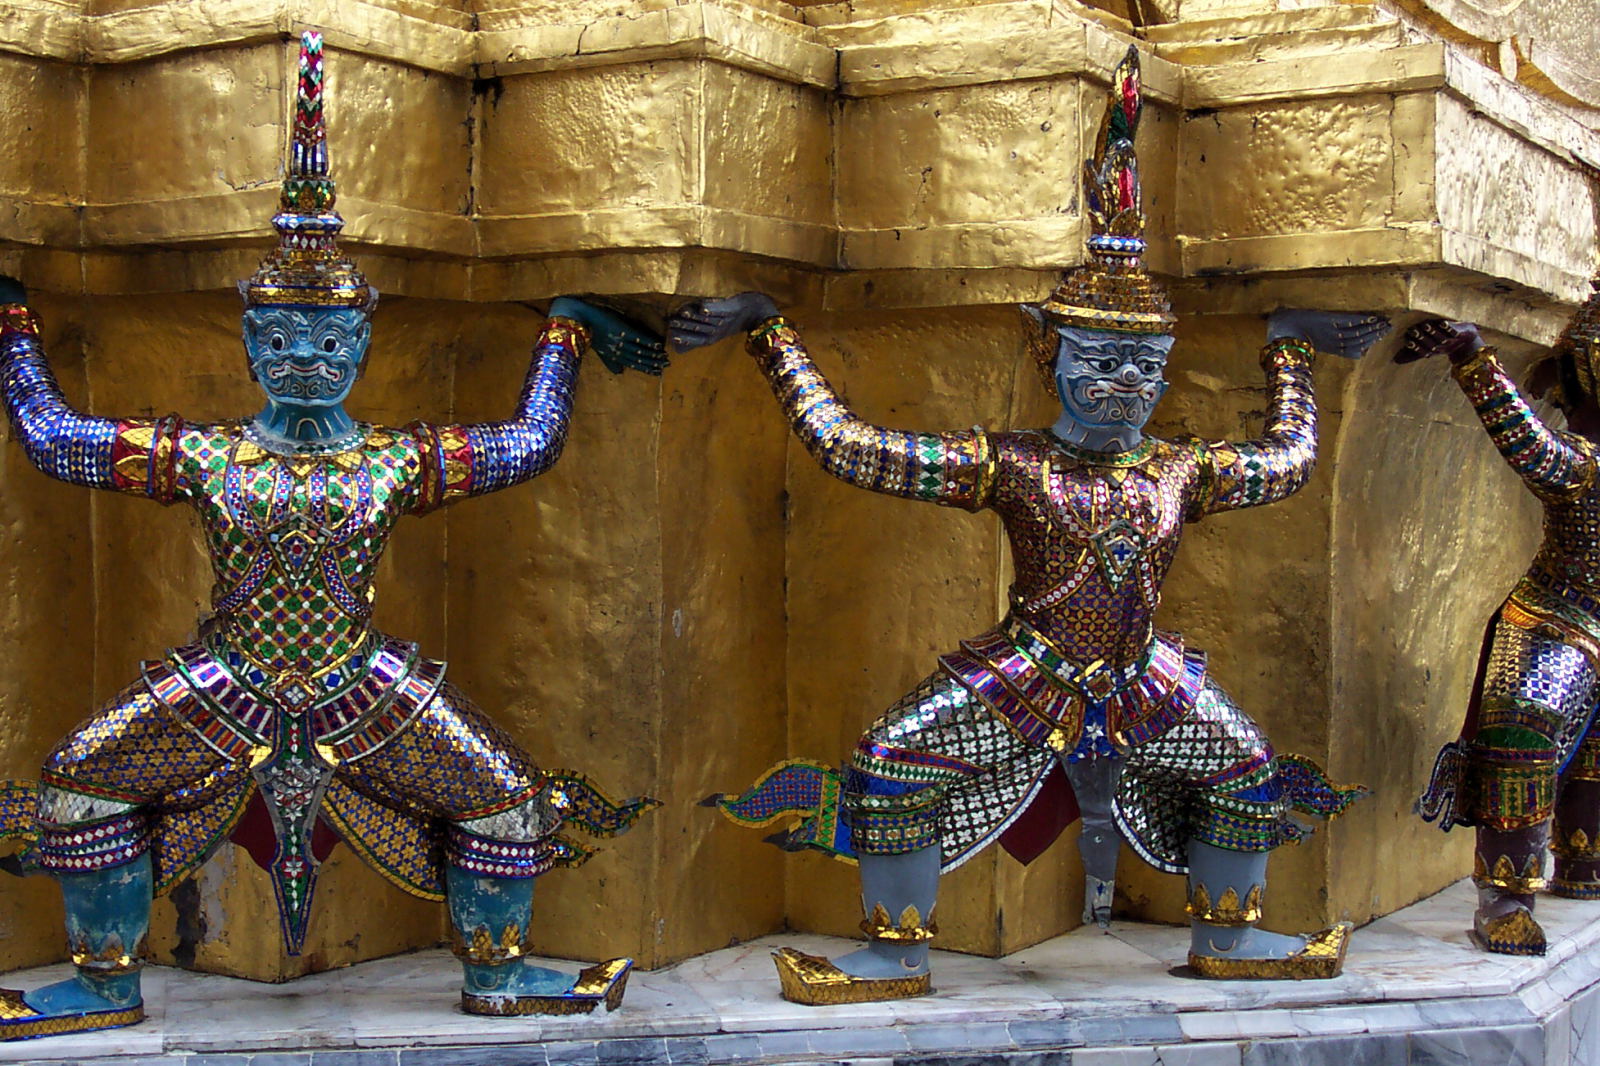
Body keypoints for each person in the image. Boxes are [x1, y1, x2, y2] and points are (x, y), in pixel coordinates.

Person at [683, 46, 1385, 1004]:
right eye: (1096, 361)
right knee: (890, 765)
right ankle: (896, 951)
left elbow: (1291, 461)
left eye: (1142, 371)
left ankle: (1230, 938)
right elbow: (850, 447)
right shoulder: (1013, 462)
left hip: (1145, 677)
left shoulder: (1182, 469)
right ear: (1051, 356)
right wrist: (770, 333)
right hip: (1026, 675)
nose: (1120, 386)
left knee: (1248, 774)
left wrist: (1290, 354)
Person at [0, 32, 660, 1037]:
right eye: (281, 341)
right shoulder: (210, 455)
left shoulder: (394, 460)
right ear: (250, 344)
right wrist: (13, 326)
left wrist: (562, 332)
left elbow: (528, 444)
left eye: (328, 341)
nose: (305, 358)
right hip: (225, 679)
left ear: (360, 343)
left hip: (362, 682)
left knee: (508, 803)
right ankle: (102, 980)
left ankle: (497, 971)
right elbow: (54, 439)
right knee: (78, 788)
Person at [1412, 284, 1600, 956]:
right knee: (1526, 726)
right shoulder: (1581, 461)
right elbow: (1528, 443)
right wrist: (1473, 358)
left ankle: (1583, 861)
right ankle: (1505, 897)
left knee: (1593, 763)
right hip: (1557, 618)